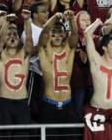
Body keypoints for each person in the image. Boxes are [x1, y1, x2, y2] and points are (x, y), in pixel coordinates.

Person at [0, 10, 34, 136]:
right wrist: (4, 22)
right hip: (4, 103)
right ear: (3, 38)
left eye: (15, 34)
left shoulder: (24, 54)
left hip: (22, 103)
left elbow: (29, 40)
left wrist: (27, 20)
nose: (12, 36)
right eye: (9, 34)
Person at [37, 10, 78, 138]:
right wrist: (54, 17)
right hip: (49, 104)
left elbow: (75, 36)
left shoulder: (69, 48)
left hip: (68, 104)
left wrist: (72, 19)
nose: (57, 36)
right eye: (53, 34)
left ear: (64, 35)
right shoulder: (43, 49)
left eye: (60, 33)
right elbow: (43, 33)